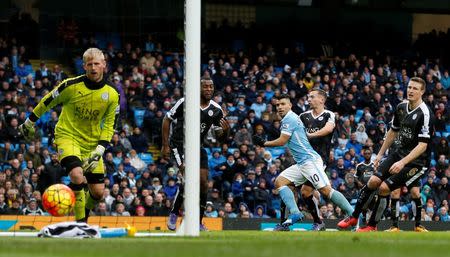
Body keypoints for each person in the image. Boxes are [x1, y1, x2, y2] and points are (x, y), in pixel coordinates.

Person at [19, 48, 120, 222]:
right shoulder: (70, 86)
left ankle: (82, 213)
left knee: (97, 192)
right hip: (68, 136)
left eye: (97, 64)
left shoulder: (112, 94)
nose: (93, 68)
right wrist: (30, 121)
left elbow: (110, 125)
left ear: (104, 65)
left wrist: (100, 149)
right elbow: (48, 100)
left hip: (92, 144)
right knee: (76, 175)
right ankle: (81, 224)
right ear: (84, 66)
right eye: (90, 64)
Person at [338, 77, 433, 232]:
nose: (411, 90)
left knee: (384, 188)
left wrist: (403, 162)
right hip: (397, 154)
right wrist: (380, 155)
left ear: (422, 91)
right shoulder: (401, 107)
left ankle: (372, 225)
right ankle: (354, 216)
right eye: (409, 87)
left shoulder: (425, 114)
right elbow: (393, 131)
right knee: (373, 181)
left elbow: (423, 145)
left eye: (415, 88)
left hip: (417, 161)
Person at [253, 94, 353, 230]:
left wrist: (264, 143)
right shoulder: (293, 118)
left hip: (310, 161)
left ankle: (353, 214)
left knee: (325, 190)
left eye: (283, 104)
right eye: (277, 105)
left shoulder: (290, 118)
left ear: (290, 106)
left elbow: (282, 141)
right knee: (280, 182)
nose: (280, 107)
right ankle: (295, 213)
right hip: (302, 163)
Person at [161, 76, 229, 231]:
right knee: (188, 176)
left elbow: (222, 139)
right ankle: (174, 212)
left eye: (211, 87)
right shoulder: (185, 102)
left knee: (204, 183)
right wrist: (165, 145)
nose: (209, 89)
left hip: (197, 147)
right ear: (198, 88)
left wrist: (226, 131)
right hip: (179, 145)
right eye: (205, 87)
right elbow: (166, 120)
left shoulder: (216, 109)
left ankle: (198, 221)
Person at [277, 89, 338, 231]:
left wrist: (311, 135)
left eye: (312, 97)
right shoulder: (303, 116)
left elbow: (328, 129)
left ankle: (348, 214)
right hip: (303, 159)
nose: (308, 99)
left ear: (322, 100)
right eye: (308, 97)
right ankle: (284, 224)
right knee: (286, 187)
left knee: (307, 192)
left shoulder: (329, 114)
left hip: (319, 160)